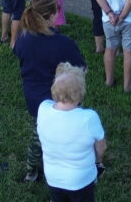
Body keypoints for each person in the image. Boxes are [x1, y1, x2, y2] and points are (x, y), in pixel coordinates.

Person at [14, 0, 86, 183]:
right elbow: (81, 68)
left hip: (34, 98)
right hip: (61, 97)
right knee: (67, 135)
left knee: (39, 134)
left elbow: (18, 54)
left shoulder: (23, 39)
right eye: (57, 11)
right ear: (51, 16)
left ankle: (31, 171)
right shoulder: (63, 43)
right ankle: (66, 167)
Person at [38, 62, 106, 200]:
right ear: (80, 93)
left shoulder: (43, 108)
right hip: (81, 180)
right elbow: (102, 147)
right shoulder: (89, 118)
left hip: (53, 177)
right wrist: (98, 162)